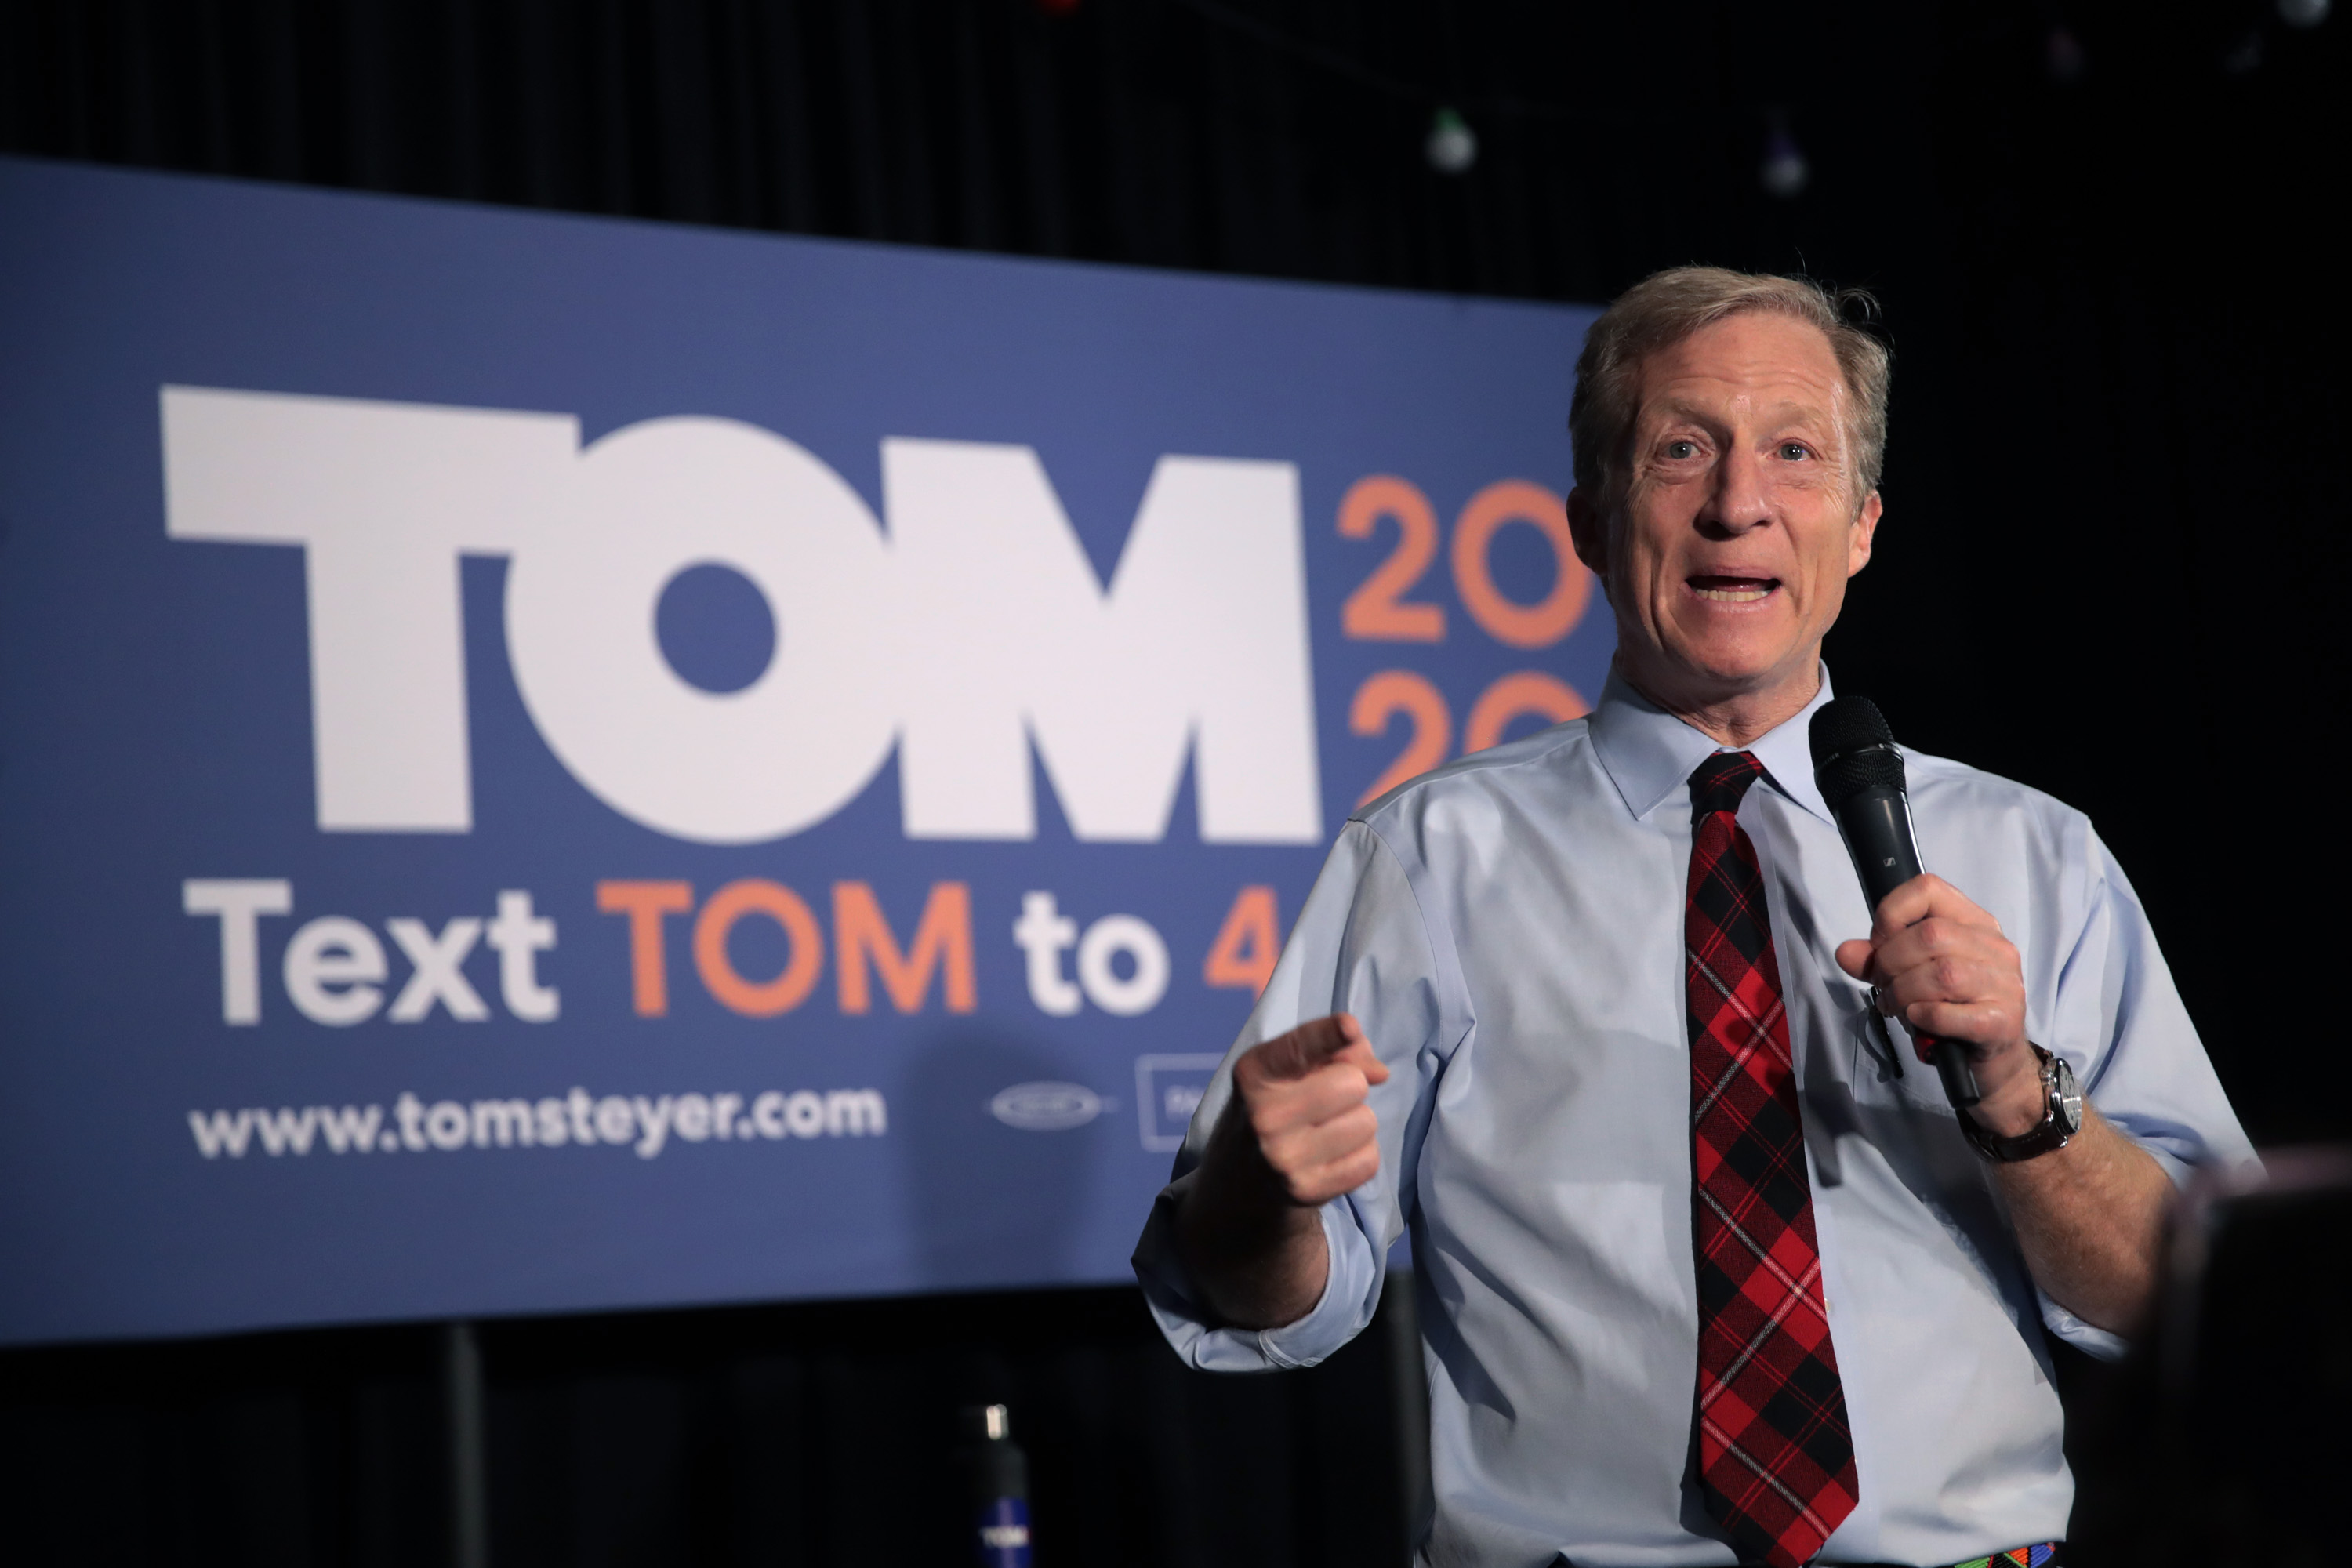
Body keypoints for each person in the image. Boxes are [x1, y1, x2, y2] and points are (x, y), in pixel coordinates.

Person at [1131, 266, 2252, 1568]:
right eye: (1681, 451)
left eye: (1793, 453)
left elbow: (2188, 1311)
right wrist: (1261, 1197)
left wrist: (2016, 1092)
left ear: (1864, 524)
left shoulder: (2036, 854)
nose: (1739, 505)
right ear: (1591, 522)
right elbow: (1266, 1300)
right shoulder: (1429, 856)